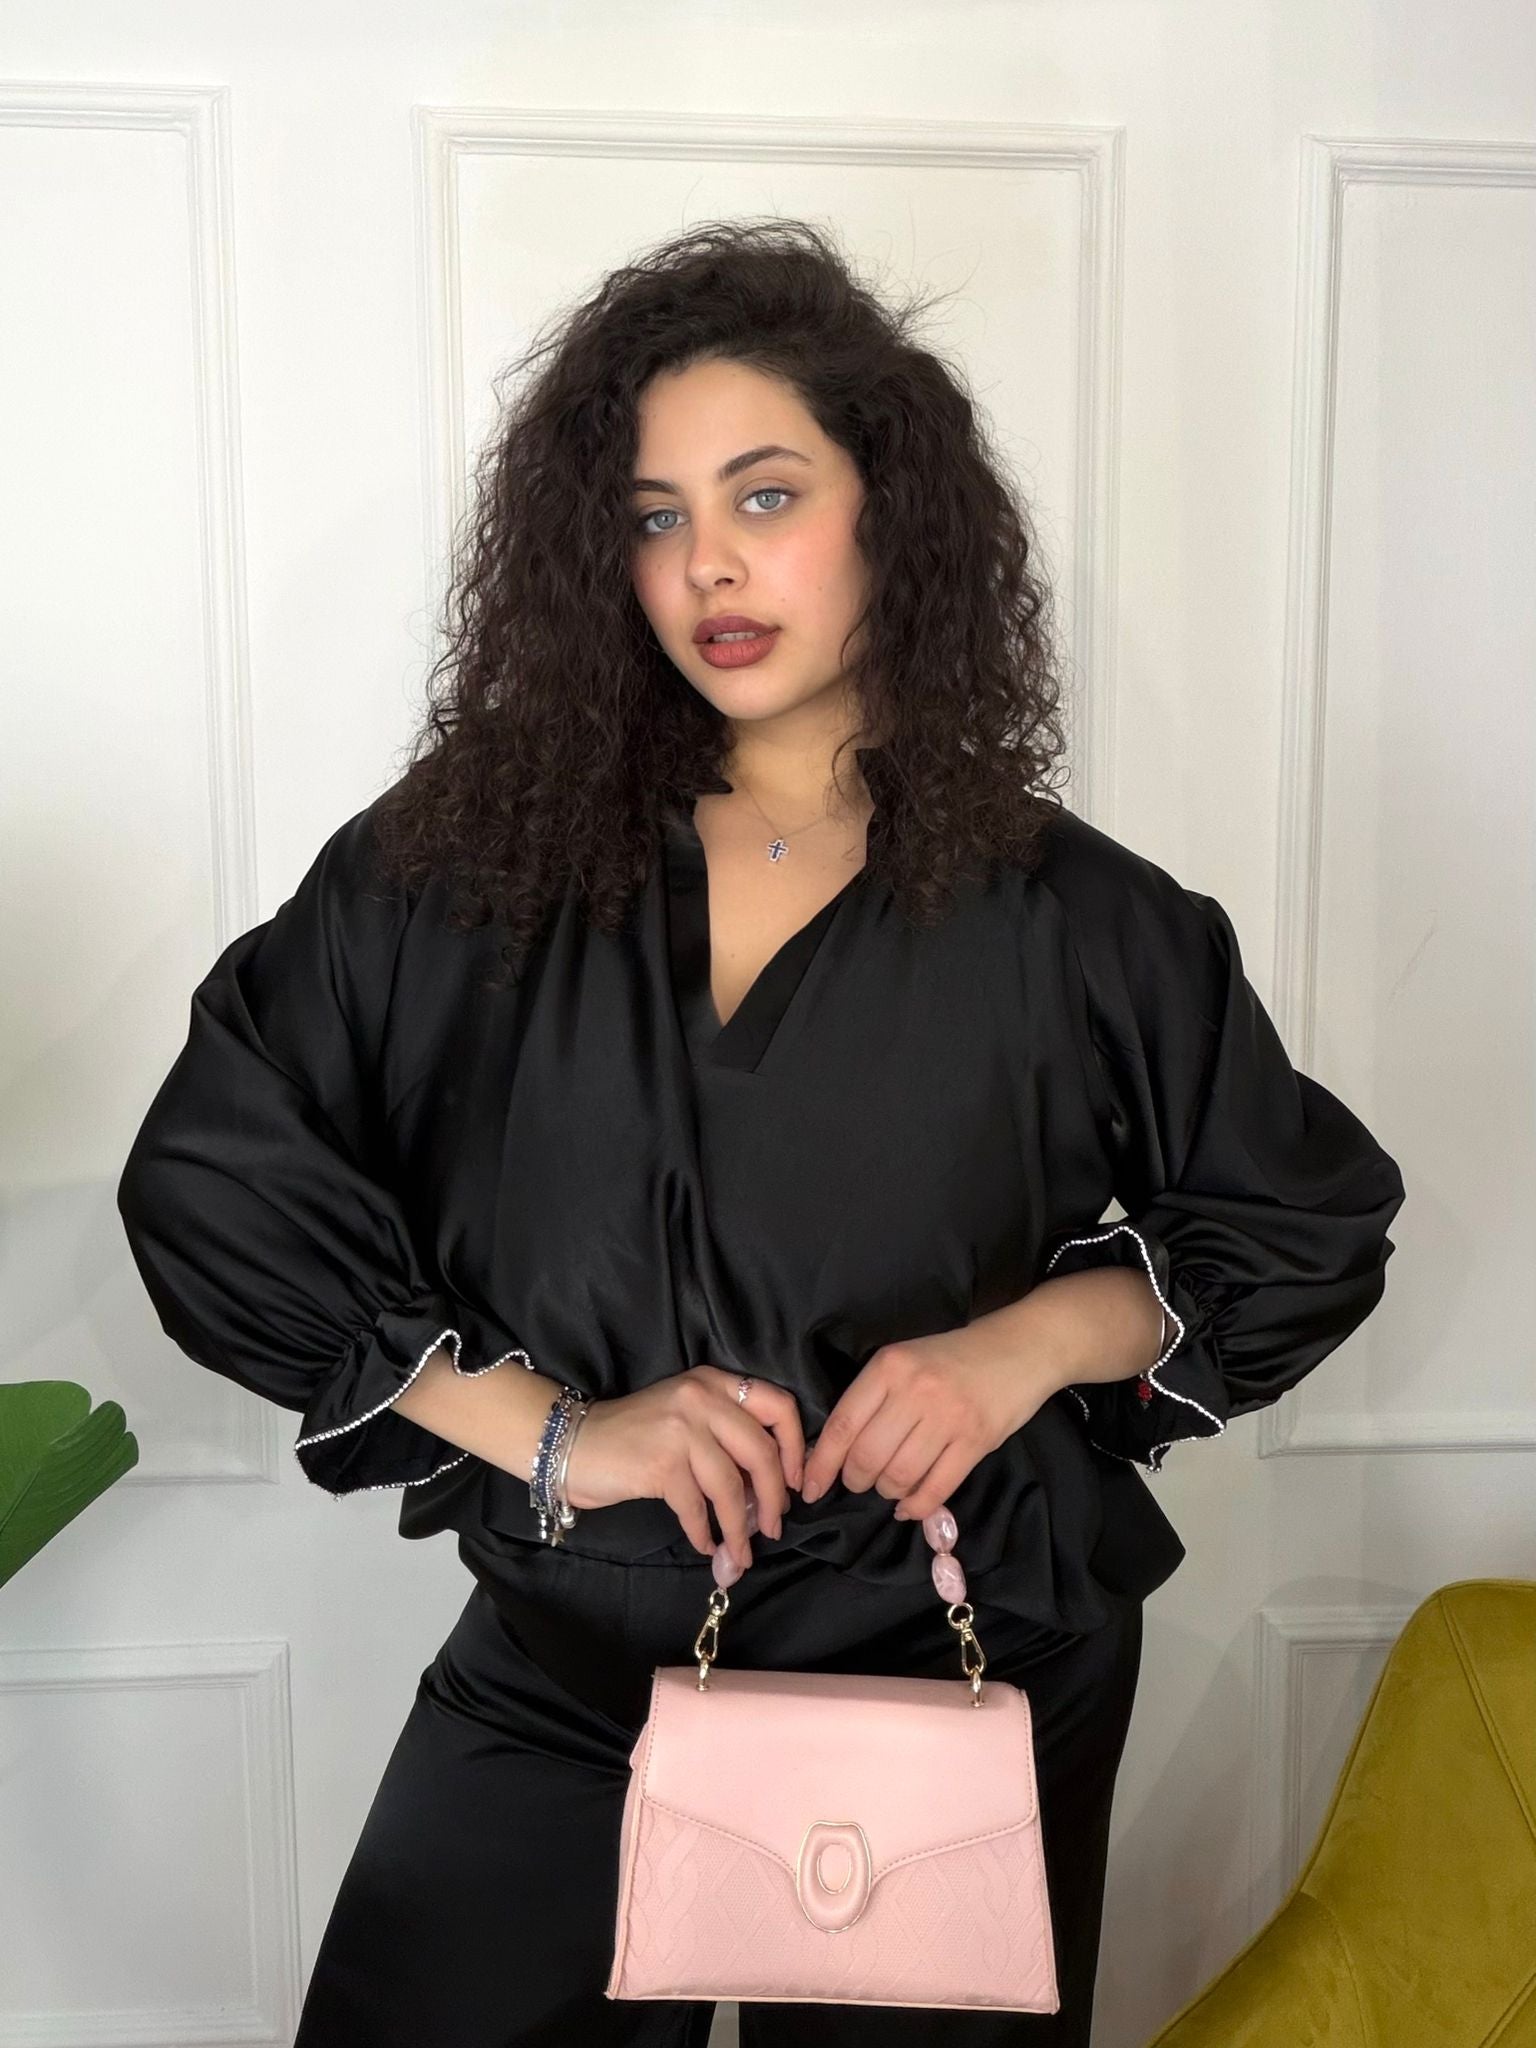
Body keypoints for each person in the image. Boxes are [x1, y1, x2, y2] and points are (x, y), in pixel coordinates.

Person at [115, 218, 1406, 2046]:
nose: (706, 562)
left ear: (896, 515)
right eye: (653, 517)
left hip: (957, 1671)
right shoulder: (464, 867)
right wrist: (551, 1434)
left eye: (767, 495)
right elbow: (214, 1176)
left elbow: (1296, 1223)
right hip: (564, 1665)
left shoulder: (1078, 918)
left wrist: (1025, 1346)